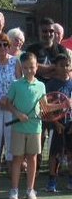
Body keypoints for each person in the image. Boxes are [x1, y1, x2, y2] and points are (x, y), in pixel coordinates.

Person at [27, 17, 68, 171]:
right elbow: (34, 67)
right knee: (40, 131)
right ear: (39, 32)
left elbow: (65, 69)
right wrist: (53, 68)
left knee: (59, 130)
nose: (48, 34)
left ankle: (55, 167)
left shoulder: (61, 49)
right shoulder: (33, 49)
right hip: (37, 96)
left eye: (51, 31)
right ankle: (35, 163)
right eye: (45, 31)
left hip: (57, 96)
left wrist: (45, 68)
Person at [6, 52, 46, 199]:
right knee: (17, 158)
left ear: (37, 67)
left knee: (32, 158)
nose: (29, 70)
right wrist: (18, 114)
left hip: (35, 128)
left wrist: (63, 104)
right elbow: (8, 103)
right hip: (18, 128)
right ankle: (14, 190)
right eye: (25, 68)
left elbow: (45, 106)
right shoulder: (16, 84)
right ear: (21, 68)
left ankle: (30, 190)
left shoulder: (41, 86)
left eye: (32, 67)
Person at [0, 33, 22, 174]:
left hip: (11, 105)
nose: (2, 47)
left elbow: (20, 84)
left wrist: (9, 100)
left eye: (5, 44)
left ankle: (10, 164)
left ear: (9, 47)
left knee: (10, 134)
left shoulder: (15, 62)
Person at [44, 53, 72, 192]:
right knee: (54, 153)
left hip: (70, 125)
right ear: (56, 66)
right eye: (61, 65)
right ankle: (52, 180)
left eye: (67, 65)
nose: (65, 68)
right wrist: (56, 123)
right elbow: (46, 106)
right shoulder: (51, 84)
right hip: (57, 125)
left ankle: (71, 180)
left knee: (70, 152)